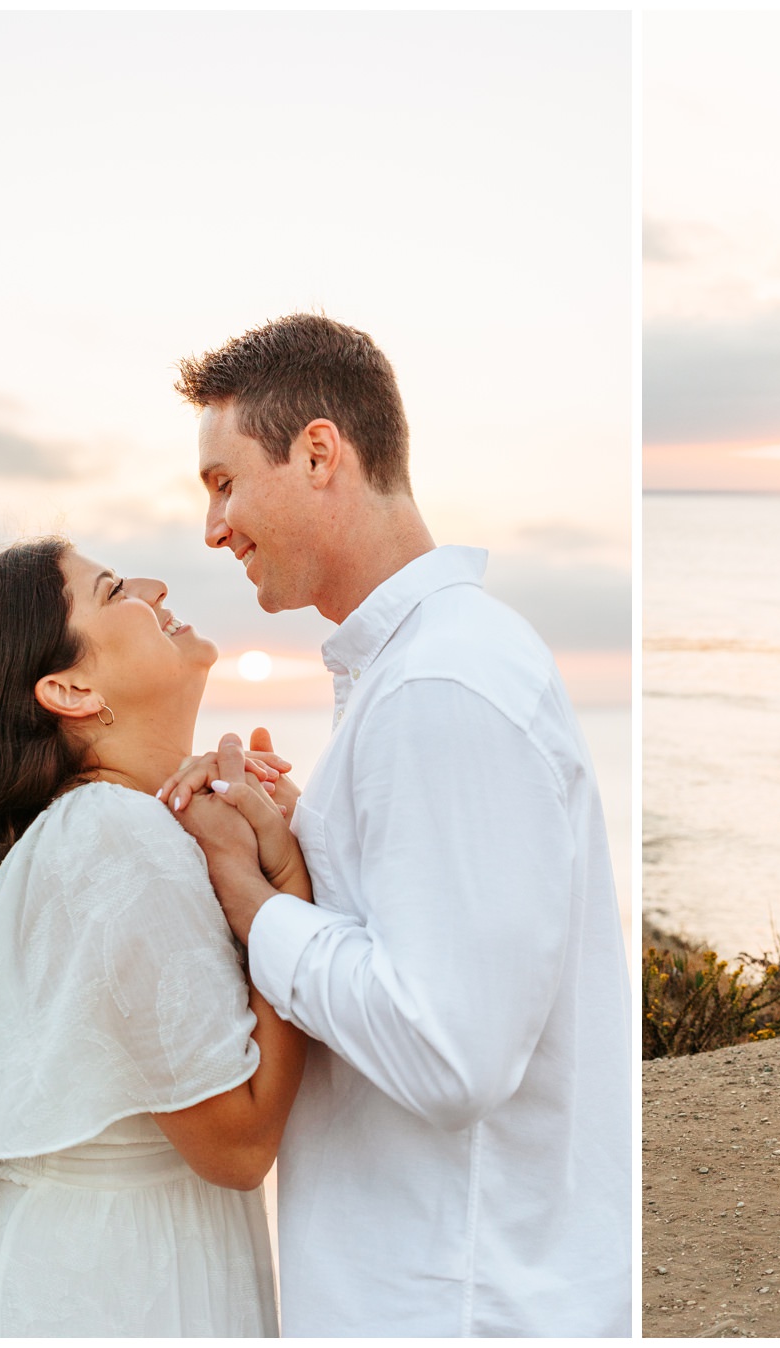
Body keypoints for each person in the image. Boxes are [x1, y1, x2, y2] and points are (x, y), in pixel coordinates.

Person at [157, 314, 632, 1336]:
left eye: (224, 482)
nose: (214, 527)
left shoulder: (440, 683)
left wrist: (255, 908)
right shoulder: (425, 671)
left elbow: (449, 1050)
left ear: (320, 452)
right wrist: (296, 843)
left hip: (456, 1301)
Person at [0, 537, 310, 1335]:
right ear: (70, 688)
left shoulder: (101, 834)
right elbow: (240, 1144)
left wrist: (252, 846)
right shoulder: (111, 840)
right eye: (113, 590)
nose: (154, 583)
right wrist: (284, 894)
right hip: (117, 1296)